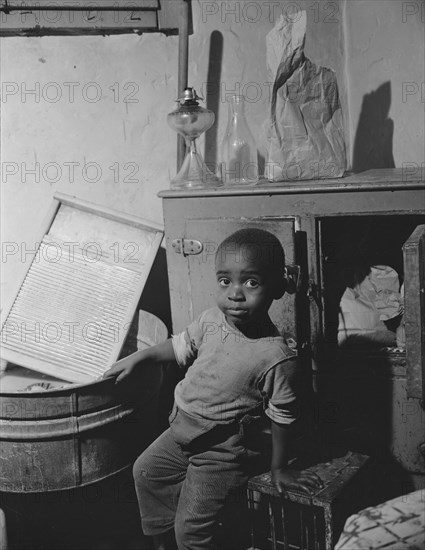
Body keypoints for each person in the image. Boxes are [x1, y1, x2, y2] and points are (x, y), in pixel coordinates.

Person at [103, 228, 322, 550]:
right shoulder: (210, 320)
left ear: (277, 287)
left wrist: (278, 467)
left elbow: (283, 416)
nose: (235, 294)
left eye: (251, 282)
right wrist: (142, 356)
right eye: (225, 281)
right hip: (180, 431)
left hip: (221, 451)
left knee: (192, 533)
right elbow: (181, 346)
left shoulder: (276, 356)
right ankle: (165, 545)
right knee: (147, 473)